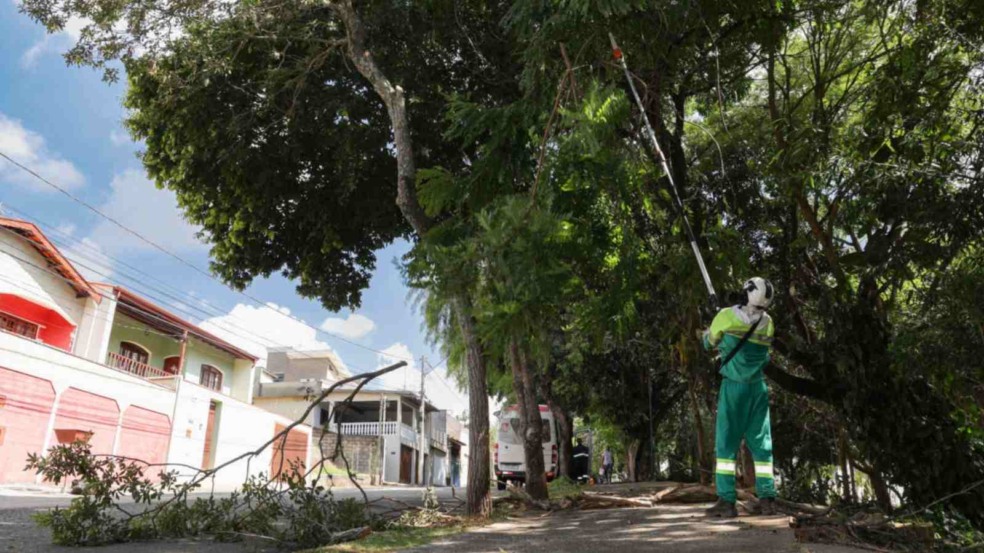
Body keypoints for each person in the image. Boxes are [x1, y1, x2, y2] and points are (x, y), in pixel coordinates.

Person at [701, 277, 778, 518]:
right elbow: (765, 356)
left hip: (734, 388)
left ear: (746, 293)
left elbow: (707, 343)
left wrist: (711, 332)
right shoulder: (768, 323)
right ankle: (767, 500)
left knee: (726, 444)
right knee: (761, 444)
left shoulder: (725, 316)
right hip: (758, 388)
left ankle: (726, 501)